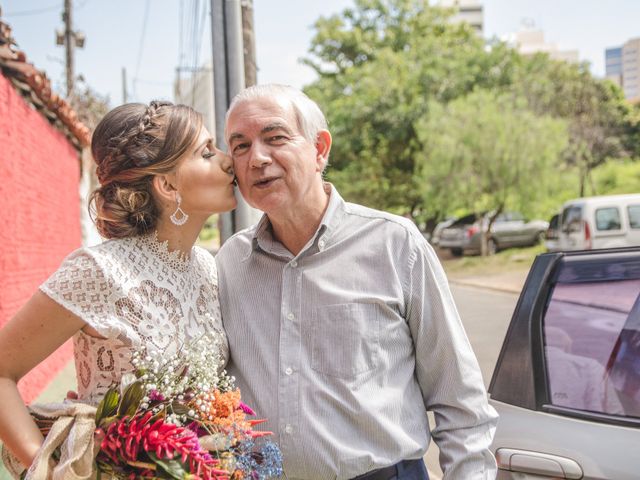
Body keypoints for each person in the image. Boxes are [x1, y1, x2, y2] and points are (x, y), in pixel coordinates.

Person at [215, 84, 499, 480]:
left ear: (320, 149)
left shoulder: (395, 244)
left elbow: (460, 399)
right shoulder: (230, 262)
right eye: (240, 146)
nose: (257, 158)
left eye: (275, 137)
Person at [0, 101, 236, 476]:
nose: (229, 161)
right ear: (167, 184)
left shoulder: (208, 268)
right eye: (207, 152)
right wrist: (50, 469)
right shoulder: (99, 270)